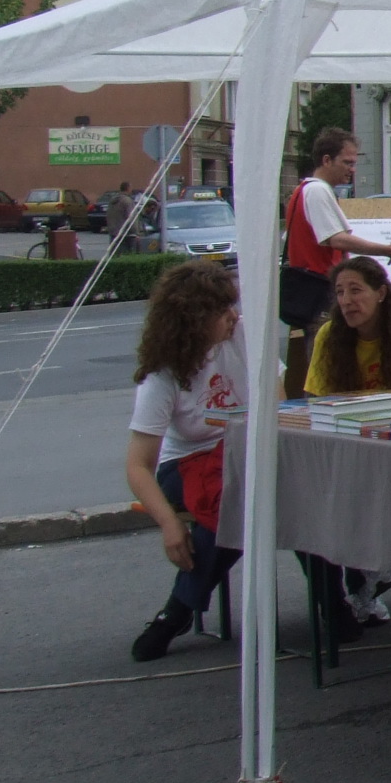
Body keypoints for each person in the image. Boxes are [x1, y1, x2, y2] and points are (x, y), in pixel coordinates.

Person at [125, 261, 250, 662]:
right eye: (222, 310)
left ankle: (334, 597)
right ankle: (178, 610)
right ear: (195, 319)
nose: (233, 316)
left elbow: (277, 400)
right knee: (232, 501)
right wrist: (169, 523)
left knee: (287, 489)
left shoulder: (241, 335)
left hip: (239, 455)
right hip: (185, 464)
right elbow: (137, 466)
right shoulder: (163, 376)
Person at [301, 255, 391, 630]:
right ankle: (358, 585)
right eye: (340, 292)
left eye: (356, 290)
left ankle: (372, 578)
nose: (346, 301)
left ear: (381, 293)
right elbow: (317, 402)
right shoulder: (331, 335)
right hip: (350, 448)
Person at [286, 128, 391, 390]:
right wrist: (386, 250)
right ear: (326, 160)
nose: (352, 170)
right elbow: (335, 239)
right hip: (320, 289)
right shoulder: (317, 191)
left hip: (316, 288)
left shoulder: (307, 190)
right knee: (326, 360)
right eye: (347, 162)